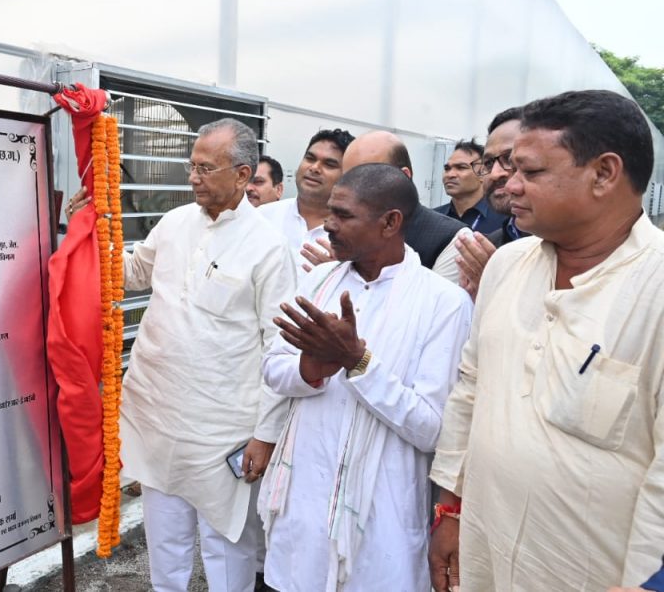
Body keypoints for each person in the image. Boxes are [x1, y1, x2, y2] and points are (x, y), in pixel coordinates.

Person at [429, 89, 664, 590]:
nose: (507, 184)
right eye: (508, 168)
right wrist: (449, 509)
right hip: (484, 553)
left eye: (530, 172)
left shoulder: (655, 287)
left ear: (604, 173)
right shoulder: (507, 264)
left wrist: (647, 583)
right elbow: (471, 389)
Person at [257, 163, 472, 591]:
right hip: (302, 511)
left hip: (380, 526)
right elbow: (272, 368)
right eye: (330, 212)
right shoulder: (319, 280)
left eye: (343, 215)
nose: (328, 225)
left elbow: (433, 429)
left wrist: (358, 362)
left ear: (390, 222)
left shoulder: (443, 303)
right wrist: (312, 369)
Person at [119, 117, 296, 592]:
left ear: (242, 175)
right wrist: (88, 232)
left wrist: (265, 434)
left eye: (205, 168)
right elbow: (133, 273)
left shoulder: (268, 247)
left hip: (223, 430)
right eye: (192, 166)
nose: (193, 178)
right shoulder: (176, 222)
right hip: (157, 418)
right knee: (165, 546)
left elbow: (279, 346)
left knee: (226, 548)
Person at [341, 131, 465, 282]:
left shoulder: (453, 239)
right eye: (346, 180)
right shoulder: (342, 228)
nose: (353, 189)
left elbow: (435, 297)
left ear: (404, 176)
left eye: (366, 178)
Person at [454, 107, 532, 300]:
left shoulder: (581, 250)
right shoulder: (489, 247)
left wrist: (497, 289)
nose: (495, 173)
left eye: (510, 159)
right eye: (488, 163)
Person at [258, 129, 354, 271]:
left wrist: (338, 274)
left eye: (329, 164)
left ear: (347, 176)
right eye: (310, 158)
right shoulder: (262, 217)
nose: (314, 168)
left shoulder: (355, 235)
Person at [434, 138, 507, 234]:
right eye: (447, 168)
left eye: (461, 167)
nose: (450, 174)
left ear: (483, 173)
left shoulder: (505, 219)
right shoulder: (433, 218)